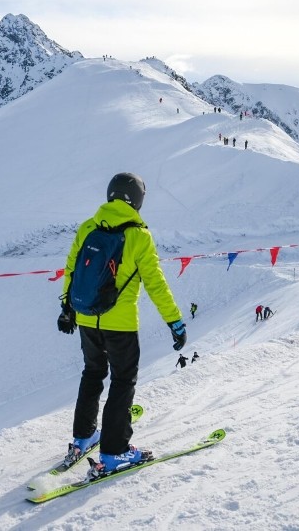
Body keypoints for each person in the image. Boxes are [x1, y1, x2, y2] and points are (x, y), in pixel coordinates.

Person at [57, 172, 185, 477]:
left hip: (87, 318)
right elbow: (155, 284)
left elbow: (72, 268)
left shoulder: (89, 226)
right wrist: (174, 321)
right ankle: (114, 452)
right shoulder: (139, 235)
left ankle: (83, 436)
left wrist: (67, 307)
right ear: (137, 201)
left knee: (92, 373)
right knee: (123, 381)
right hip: (121, 324)